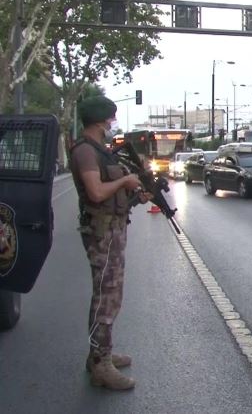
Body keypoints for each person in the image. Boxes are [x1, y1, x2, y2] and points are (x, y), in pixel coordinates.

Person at [69, 96, 148, 390]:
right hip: (101, 234)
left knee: (110, 295)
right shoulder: (86, 152)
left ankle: (101, 354)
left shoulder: (100, 151)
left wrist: (136, 196)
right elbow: (96, 192)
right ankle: (100, 364)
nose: (113, 124)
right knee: (105, 296)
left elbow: (113, 197)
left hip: (113, 230)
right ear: (102, 121)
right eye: (111, 119)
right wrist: (124, 182)